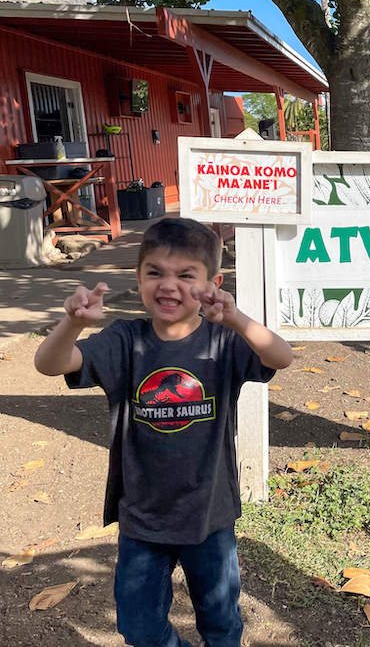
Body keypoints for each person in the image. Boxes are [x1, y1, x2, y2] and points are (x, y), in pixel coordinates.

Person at [34, 217, 294, 647]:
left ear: (213, 282)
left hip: (209, 514)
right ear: (138, 278)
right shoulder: (125, 340)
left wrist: (236, 317)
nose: (168, 285)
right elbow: (50, 364)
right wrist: (73, 324)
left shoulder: (223, 342)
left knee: (222, 624)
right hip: (143, 518)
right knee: (138, 626)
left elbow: (281, 356)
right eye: (155, 272)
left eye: (185, 275)